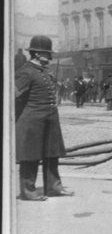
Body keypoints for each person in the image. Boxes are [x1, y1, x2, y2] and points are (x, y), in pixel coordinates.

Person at [14, 36, 74, 200]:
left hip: (50, 119)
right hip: (32, 120)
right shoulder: (25, 71)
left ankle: (54, 188)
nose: (50, 57)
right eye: (47, 54)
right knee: (30, 156)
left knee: (52, 153)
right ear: (38, 54)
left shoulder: (43, 71)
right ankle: (28, 191)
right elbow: (14, 96)